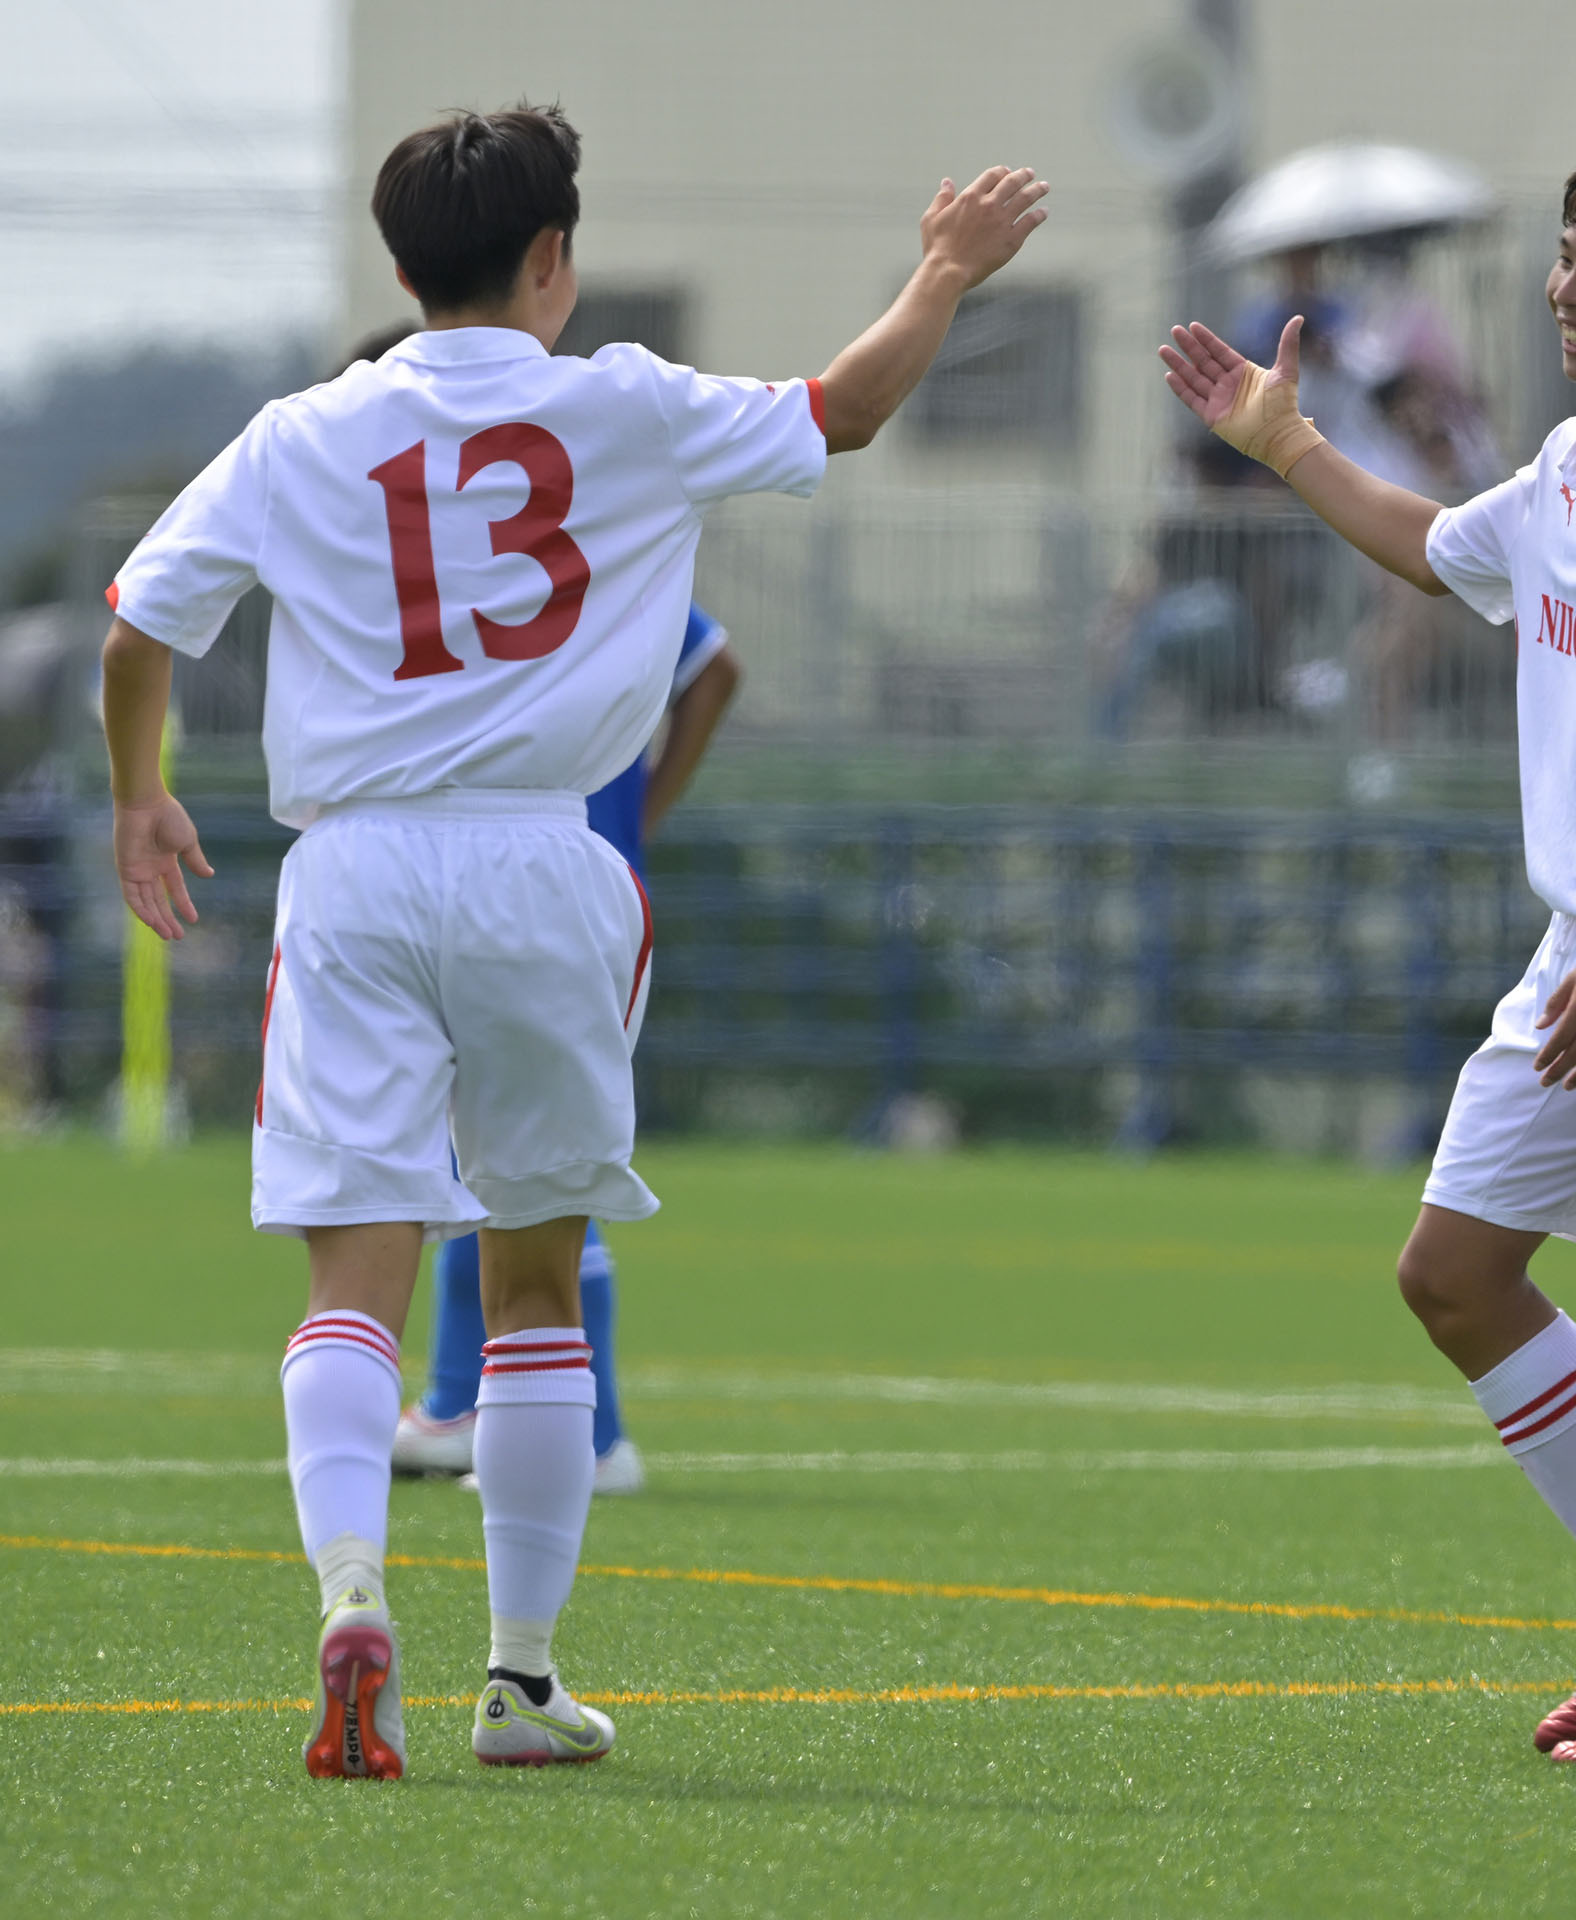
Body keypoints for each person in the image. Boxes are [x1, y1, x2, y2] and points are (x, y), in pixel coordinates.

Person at [99, 103, 1046, 1779]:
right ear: (555, 261)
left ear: (398, 269)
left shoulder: (300, 430)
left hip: (359, 868)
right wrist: (944, 274)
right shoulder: (625, 403)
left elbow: (144, 617)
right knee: (533, 1278)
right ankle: (521, 1682)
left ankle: (346, 1595)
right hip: (551, 861)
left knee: (352, 1277)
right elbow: (848, 410)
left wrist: (139, 796)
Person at [1161, 129, 1576, 1767]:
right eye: (1568, 251)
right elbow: (1444, 547)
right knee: (1452, 1275)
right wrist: (1286, 441)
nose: (1566, 288)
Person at [393, 601, 742, 1494]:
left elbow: (715, 669)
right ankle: (466, 1402)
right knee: (497, 1149)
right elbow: (713, 668)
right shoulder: (590, 530)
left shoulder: (582, 532)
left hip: (546, 876)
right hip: (539, 872)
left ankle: (589, 1433)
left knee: (536, 1157)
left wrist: (642, 814)